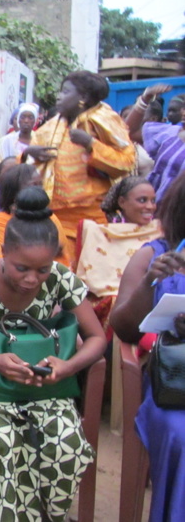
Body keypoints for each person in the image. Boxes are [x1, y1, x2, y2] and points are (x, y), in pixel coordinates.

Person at [0, 186, 106, 522]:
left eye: (42, 269)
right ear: (3, 252)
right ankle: (0, 515)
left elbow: (97, 338)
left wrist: (68, 366)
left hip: (45, 387)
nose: (33, 279)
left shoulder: (60, 278)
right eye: (22, 268)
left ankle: (45, 513)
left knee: (65, 442)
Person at [110, 172, 185, 522]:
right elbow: (122, 327)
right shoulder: (155, 254)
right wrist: (150, 282)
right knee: (179, 433)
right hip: (174, 381)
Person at [25, 71, 135, 263]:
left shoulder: (103, 119)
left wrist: (91, 144)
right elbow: (27, 166)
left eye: (66, 91)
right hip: (54, 217)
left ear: (83, 97)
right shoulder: (50, 126)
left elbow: (126, 161)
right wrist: (29, 153)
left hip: (93, 217)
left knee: (92, 276)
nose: (59, 96)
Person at [76, 177, 161, 331]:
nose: (150, 206)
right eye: (142, 200)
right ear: (122, 202)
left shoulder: (162, 231)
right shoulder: (102, 234)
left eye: (153, 201)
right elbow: (95, 282)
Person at [0, 164, 72, 267]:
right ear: (14, 192)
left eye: (41, 184)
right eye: (34, 185)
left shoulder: (50, 217)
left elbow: (62, 256)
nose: (40, 190)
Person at [125, 84, 185, 202]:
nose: (183, 112)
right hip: (154, 210)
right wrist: (145, 99)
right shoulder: (170, 133)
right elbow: (130, 131)